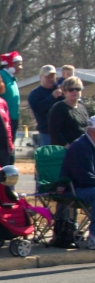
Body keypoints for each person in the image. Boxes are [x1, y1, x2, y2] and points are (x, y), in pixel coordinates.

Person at [61, 115, 95, 249]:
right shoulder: (80, 147)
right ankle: (93, 237)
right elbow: (84, 178)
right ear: (92, 131)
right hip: (76, 188)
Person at [28, 64, 63, 147]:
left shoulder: (60, 90)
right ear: (40, 77)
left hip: (62, 132)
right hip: (46, 132)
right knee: (47, 158)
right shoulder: (35, 93)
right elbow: (38, 109)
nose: (51, 79)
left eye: (53, 76)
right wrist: (52, 97)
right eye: (47, 77)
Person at [48, 76, 89, 147]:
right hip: (64, 151)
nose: (75, 91)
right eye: (71, 89)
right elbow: (54, 132)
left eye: (78, 89)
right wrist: (67, 146)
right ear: (64, 91)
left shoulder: (82, 108)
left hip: (82, 148)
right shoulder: (59, 108)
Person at [0, 51, 23, 139]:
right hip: (5, 119)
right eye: (19, 65)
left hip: (13, 117)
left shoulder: (11, 77)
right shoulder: (1, 76)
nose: (21, 68)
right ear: (10, 64)